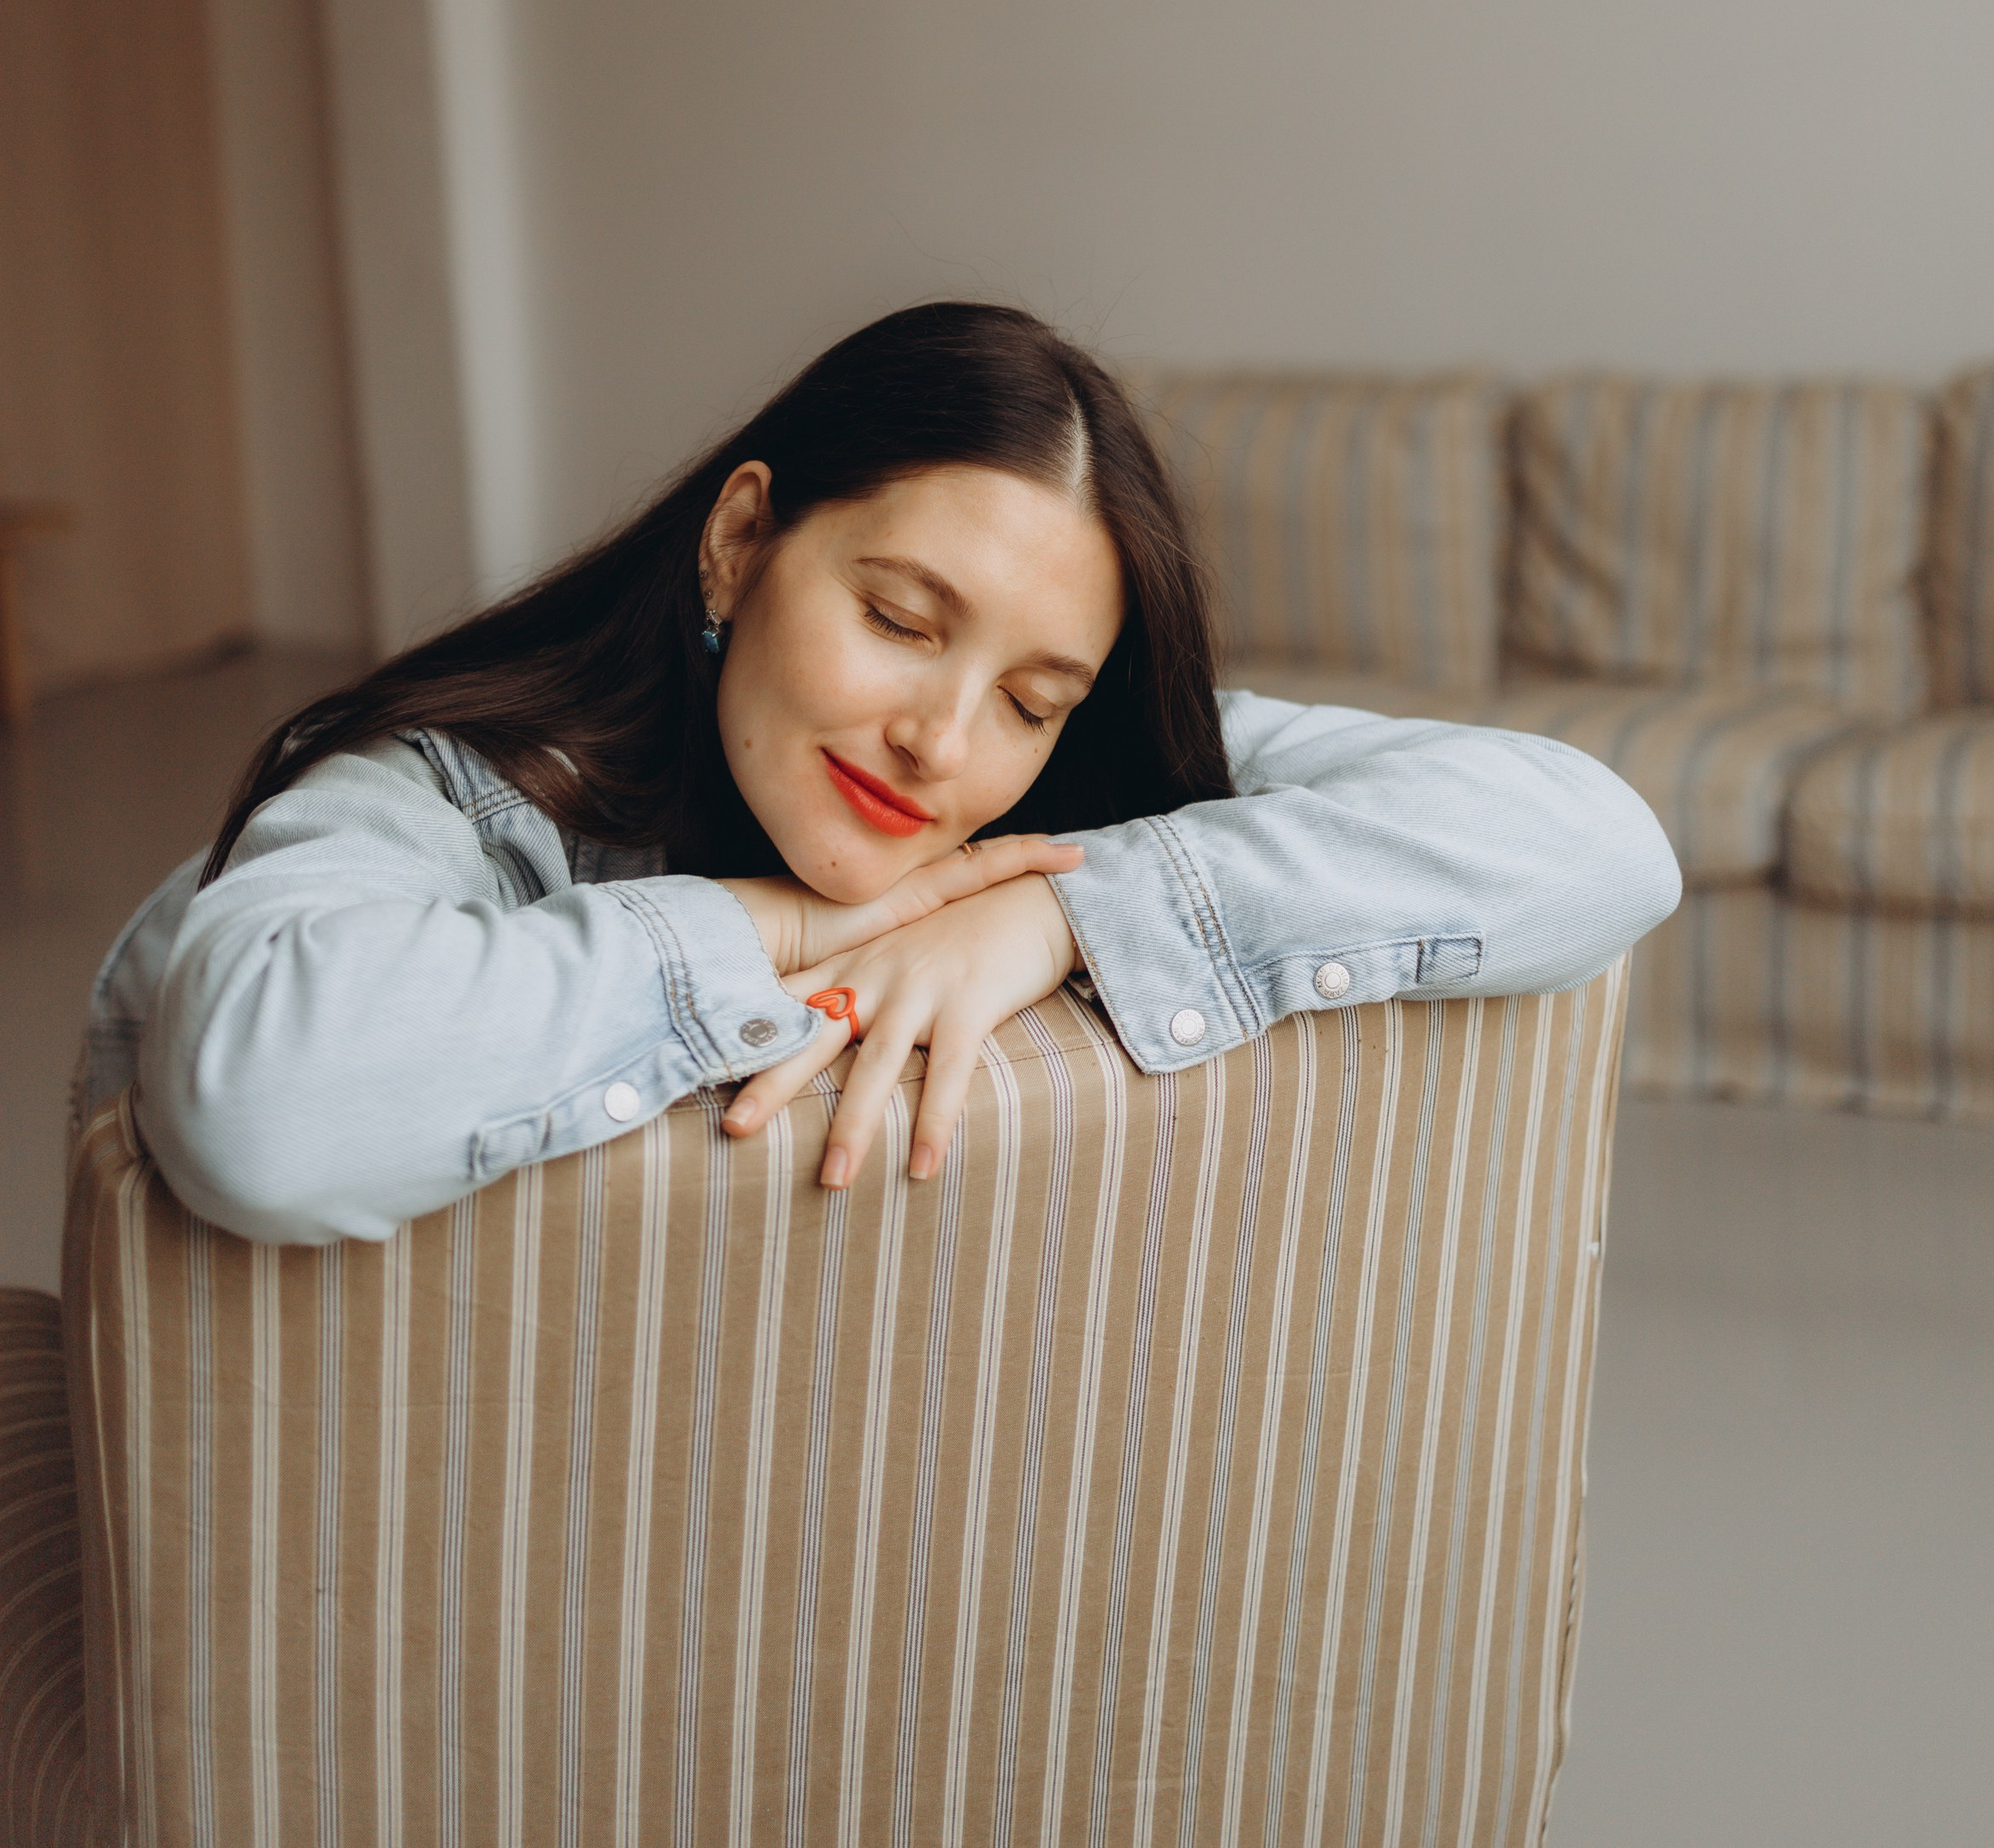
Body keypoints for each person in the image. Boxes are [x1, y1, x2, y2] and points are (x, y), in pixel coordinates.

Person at [85, 303, 1678, 1244]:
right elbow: (267, 1109)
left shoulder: (1067, 797)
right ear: (737, 541)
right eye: (901, 620)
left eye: (1032, 697)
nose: (946, 745)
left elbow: (1598, 845)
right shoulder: (442, 797)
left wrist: (1066, 915)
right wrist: (778, 928)